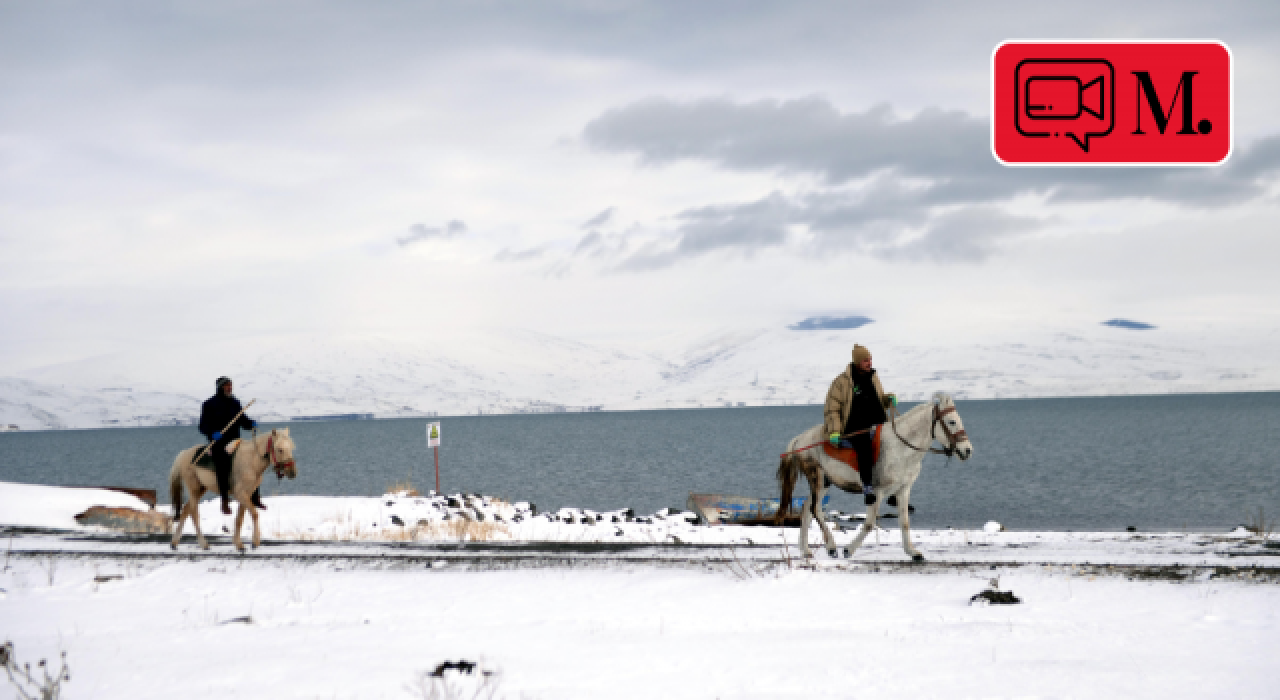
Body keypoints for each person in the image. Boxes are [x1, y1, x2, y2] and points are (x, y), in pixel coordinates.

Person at [824, 344, 896, 505]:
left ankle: (893, 491)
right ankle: (868, 488)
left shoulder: (873, 377)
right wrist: (834, 431)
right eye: (865, 360)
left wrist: (888, 399)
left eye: (870, 359)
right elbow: (832, 408)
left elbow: (879, 400)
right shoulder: (841, 382)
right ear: (857, 362)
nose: (869, 363)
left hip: (879, 424)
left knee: (895, 446)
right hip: (855, 427)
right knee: (865, 447)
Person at [198, 376, 264, 514]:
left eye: (230, 385)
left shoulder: (235, 402)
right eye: (227, 385)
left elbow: (242, 420)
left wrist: (250, 424)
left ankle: (255, 497)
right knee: (222, 466)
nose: (230, 387)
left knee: (252, 462)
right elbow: (202, 426)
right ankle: (224, 501)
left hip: (235, 441)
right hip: (219, 443)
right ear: (220, 387)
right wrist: (212, 433)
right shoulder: (209, 404)